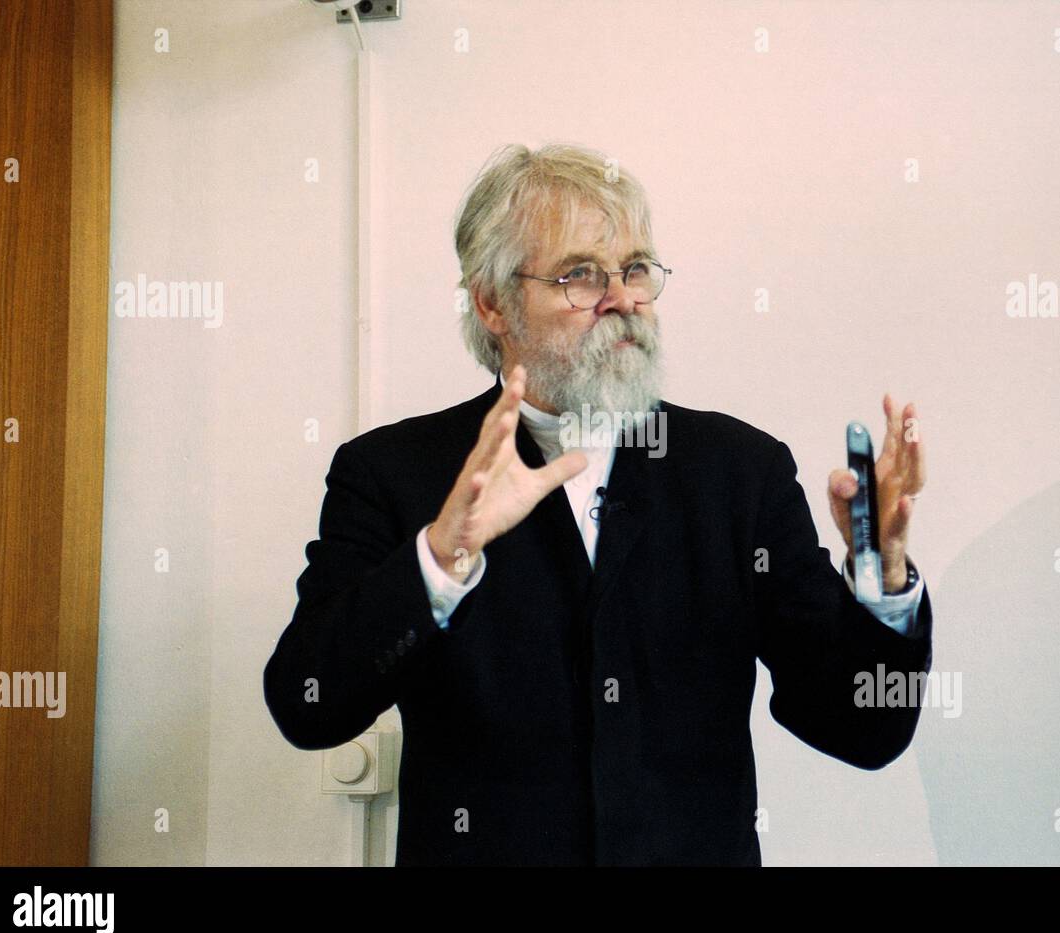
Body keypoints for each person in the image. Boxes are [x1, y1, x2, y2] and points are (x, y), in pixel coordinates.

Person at [263, 143, 932, 865]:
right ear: (492, 302)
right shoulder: (394, 472)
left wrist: (883, 576)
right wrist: (439, 559)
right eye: (580, 275)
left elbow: (864, 732)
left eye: (636, 269)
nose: (622, 299)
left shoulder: (739, 474)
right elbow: (309, 705)